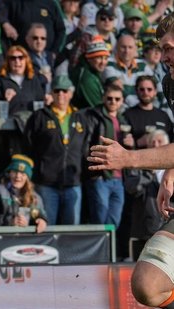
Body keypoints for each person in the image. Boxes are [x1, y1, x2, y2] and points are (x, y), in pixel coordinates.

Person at [87, 14, 174, 308]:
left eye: (170, 48)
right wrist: (171, 173)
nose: (164, 57)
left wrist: (128, 157)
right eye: (162, 49)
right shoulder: (170, 82)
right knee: (147, 284)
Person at [25, 75, 88, 225]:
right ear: (51, 93)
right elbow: (27, 147)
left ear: (71, 94)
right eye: (57, 90)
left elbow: (85, 149)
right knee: (47, 226)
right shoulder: (39, 117)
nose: (61, 94)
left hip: (73, 183)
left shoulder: (80, 118)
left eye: (64, 91)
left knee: (71, 229)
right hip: (46, 183)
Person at [84, 83, 133, 228]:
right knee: (99, 219)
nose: (113, 102)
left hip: (119, 177)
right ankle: (102, 251)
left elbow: (127, 149)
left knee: (114, 221)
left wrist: (131, 144)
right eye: (110, 98)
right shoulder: (94, 116)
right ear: (103, 98)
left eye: (117, 99)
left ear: (122, 100)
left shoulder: (123, 119)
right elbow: (86, 145)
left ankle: (108, 249)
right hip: (101, 175)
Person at [123, 129, 170, 260]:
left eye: (159, 141)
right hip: (142, 232)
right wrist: (149, 174)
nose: (155, 145)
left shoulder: (172, 171)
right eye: (152, 142)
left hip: (168, 231)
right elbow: (131, 187)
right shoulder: (138, 166)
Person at [0, 154, 47, 233]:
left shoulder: (34, 197)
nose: (18, 176)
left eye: (23, 174)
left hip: (25, 241)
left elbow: (40, 216)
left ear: (27, 178)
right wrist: (10, 221)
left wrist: (42, 221)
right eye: (14, 172)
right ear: (9, 173)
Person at [0, 45, 46, 116]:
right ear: (8, 61)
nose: (17, 61)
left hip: (31, 122)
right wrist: (4, 98)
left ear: (26, 60)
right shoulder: (0, 80)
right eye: (13, 58)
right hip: (9, 123)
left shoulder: (33, 79)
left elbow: (40, 101)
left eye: (21, 58)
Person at [103, 34, 153, 108]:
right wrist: (139, 107)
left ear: (135, 49)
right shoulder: (109, 63)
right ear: (116, 48)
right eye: (123, 47)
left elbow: (156, 87)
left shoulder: (142, 65)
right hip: (120, 109)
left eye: (130, 47)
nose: (127, 51)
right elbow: (119, 89)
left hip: (143, 106)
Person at [70, 35, 111, 109]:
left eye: (105, 58)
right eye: (99, 57)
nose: (103, 62)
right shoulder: (87, 79)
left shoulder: (93, 71)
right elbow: (99, 109)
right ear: (89, 59)